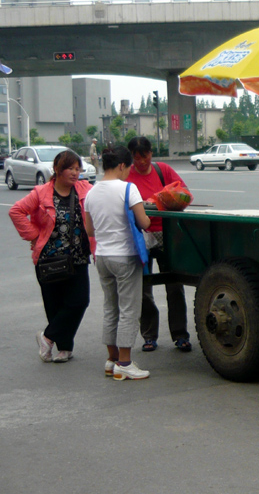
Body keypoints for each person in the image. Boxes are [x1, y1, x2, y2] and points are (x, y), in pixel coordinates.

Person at [9, 150, 96, 363]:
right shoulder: (41, 193)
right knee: (54, 306)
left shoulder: (85, 189)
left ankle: (47, 338)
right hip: (49, 259)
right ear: (58, 170)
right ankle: (64, 348)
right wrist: (34, 235)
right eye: (71, 169)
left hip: (78, 258)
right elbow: (16, 211)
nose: (76, 173)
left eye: (78, 169)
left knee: (79, 301)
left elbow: (101, 201)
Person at [84, 145, 152, 380]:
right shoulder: (128, 189)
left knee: (110, 308)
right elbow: (143, 222)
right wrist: (146, 216)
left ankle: (111, 360)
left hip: (102, 257)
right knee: (129, 309)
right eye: (128, 168)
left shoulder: (91, 192)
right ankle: (124, 363)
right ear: (122, 165)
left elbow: (89, 229)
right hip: (124, 256)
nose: (128, 173)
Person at [125, 136, 192, 353]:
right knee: (144, 287)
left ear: (151, 153)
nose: (140, 162)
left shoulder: (162, 170)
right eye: (136, 158)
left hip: (166, 234)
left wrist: (160, 199)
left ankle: (180, 334)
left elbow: (184, 194)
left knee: (174, 285)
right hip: (140, 236)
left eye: (144, 156)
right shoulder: (128, 175)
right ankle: (149, 335)